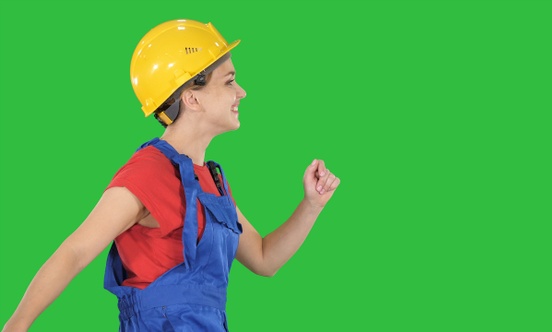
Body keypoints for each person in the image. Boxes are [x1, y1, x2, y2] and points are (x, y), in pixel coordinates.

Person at [2, 19, 340, 331]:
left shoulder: (212, 183)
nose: (242, 92)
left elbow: (265, 259)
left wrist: (312, 205)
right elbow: (74, 252)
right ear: (192, 97)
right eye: (230, 81)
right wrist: (15, 327)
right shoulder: (149, 171)